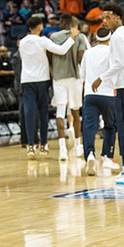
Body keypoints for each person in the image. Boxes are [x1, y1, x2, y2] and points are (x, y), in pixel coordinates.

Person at [91, 3, 124, 184]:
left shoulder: (116, 37)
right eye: (103, 18)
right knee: (123, 127)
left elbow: (119, 64)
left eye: (107, 17)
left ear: (117, 17)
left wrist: (101, 78)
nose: (104, 21)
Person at [19, 15, 78, 157]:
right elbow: (61, 50)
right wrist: (72, 37)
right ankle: (44, 144)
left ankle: (31, 145)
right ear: (40, 27)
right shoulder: (42, 40)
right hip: (42, 79)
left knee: (29, 112)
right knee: (43, 111)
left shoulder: (22, 42)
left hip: (26, 80)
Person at [49, 13, 89, 160]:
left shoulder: (53, 37)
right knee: (76, 112)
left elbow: (50, 58)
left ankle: (62, 149)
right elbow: (80, 58)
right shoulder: (79, 37)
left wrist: (53, 73)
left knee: (60, 112)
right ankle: (77, 146)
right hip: (74, 78)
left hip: (59, 78)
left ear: (64, 23)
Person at [80, 27, 119, 175]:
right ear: (110, 39)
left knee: (89, 127)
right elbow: (115, 72)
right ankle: (107, 156)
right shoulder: (111, 53)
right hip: (108, 94)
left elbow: (82, 74)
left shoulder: (88, 53)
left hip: (90, 94)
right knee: (110, 126)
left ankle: (90, 154)